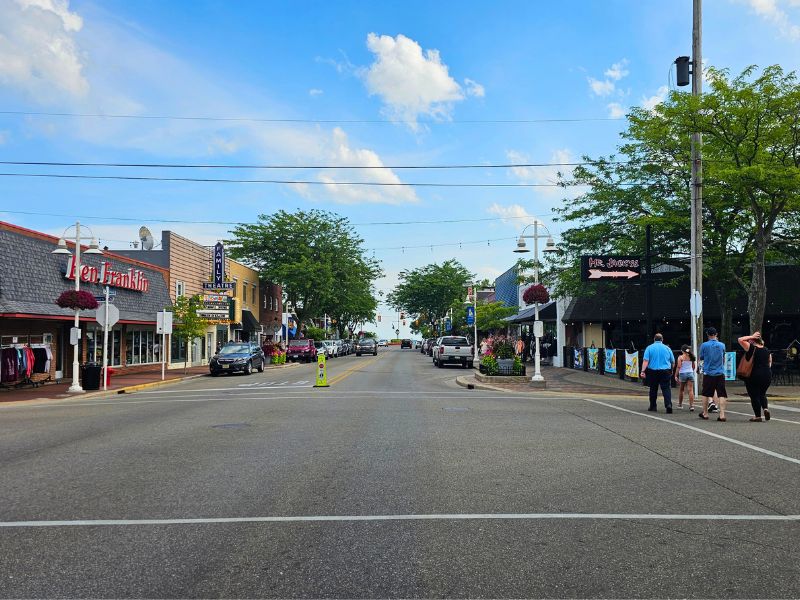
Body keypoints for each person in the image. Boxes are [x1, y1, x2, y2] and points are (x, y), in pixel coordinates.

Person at [738, 331, 772, 422]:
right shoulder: (766, 350)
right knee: (762, 394)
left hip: (754, 375)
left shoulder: (751, 348)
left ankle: (758, 416)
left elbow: (740, 339)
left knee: (754, 396)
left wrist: (751, 336)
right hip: (767, 374)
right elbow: (770, 363)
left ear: (752, 341)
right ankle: (765, 408)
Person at [640, 333, 675, 413]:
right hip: (665, 371)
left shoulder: (649, 348)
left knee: (653, 388)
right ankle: (668, 404)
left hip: (653, 371)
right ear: (662, 339)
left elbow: (646, 361)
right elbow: (672, 361)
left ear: (654, 339)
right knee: (666, 388)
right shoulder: (667, 348)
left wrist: (643, 371)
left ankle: (653, 406)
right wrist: (671, 370)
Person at [699, 327, 728, 421]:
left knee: (705, 393)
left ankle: (705, 413)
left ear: (707, 334)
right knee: (722, 394)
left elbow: (701, 358)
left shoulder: (704, 345)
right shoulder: (722, 345)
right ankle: (722, 414)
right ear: (716, 334)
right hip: (720, 372)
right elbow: (723, 358)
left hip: (708, 372)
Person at [674, 344, 696, 411]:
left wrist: (675, 375)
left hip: (683, 373)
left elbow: (679, 367)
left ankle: (680, 404)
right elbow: (693, 366)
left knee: (681, 390)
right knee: (690, 390)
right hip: (690, 373)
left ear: (682, 350)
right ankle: (691, 406)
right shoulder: (691, 357)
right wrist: (691, 371)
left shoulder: (680, 357)